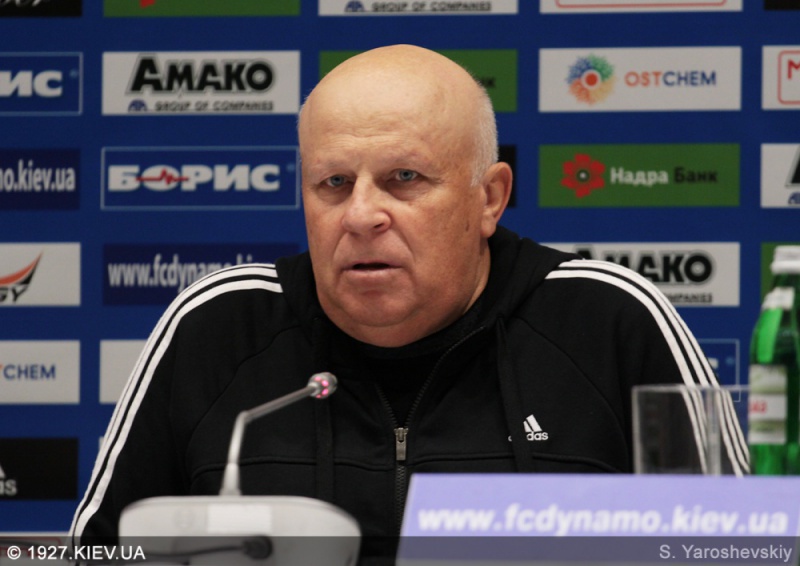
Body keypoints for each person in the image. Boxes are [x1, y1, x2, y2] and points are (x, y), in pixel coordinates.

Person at [71, 45, 747, 561]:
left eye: (404, 178)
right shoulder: (217, 328)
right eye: (334, 183)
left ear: (489, 198)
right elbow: (94, 555)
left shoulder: (610, 321)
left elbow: (738, 549)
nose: (361, 214)